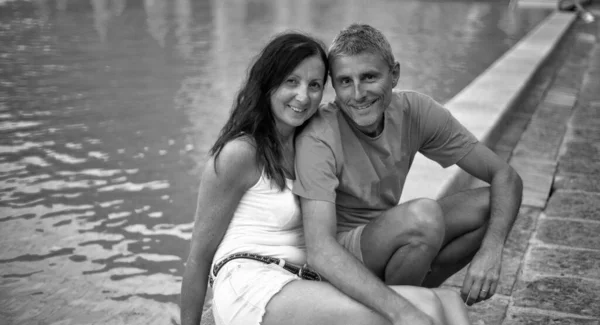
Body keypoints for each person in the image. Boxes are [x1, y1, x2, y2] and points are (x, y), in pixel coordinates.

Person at [181, 31, 472, 325]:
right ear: (267, 83)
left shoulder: (311, 143)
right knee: (417, 312)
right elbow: (198, 258)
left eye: (315, 85)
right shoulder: (240, 153)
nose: (303, 96)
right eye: (291, 82)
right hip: (251, 282)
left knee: (445, 300)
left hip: (303, 280)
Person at [293, 23, 524, 319]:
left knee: (491, 204)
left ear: (395, 74)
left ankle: (412, 294)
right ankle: (395, 311)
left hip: (388, 235)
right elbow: (320, 252)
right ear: (334, 87)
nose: (358, 93)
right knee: (423, 218)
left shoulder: (415, 111)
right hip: (341, 257)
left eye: (369, 77)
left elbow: (506, 176)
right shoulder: (319, 136)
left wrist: (491, 251)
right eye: (345, 82)